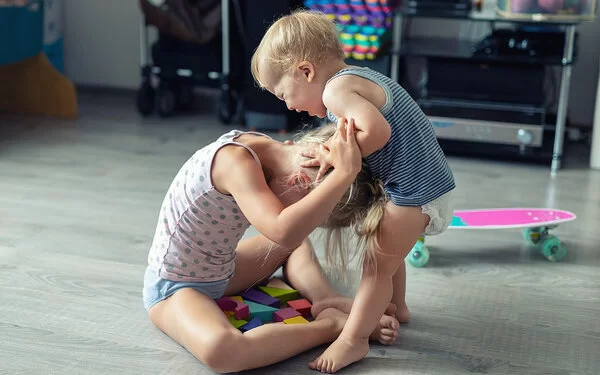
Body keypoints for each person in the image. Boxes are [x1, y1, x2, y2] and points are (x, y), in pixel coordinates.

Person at [251, 9, 456, 373]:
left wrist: (339, 158)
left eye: (284, 94)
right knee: (388, 254)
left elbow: (378, 133)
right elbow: (364, 131)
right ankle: (398, 307)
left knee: (374, 268)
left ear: (305, 71)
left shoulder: (335, 91)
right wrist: (331, 149)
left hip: (414, 191)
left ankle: (353, 340)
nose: (288, 105)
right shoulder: (356, 78)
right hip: (424, 186)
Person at [142, 120, 400, 373]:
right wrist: (344, 173)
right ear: (298, 181)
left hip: (222, 270)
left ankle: (325, 299)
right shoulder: (235, 162)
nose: (308, 224)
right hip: (176, 286)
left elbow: (291, 237)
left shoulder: (275, 151)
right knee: (222, 351)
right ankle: (331, 325)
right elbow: (285, 232)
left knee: (296, 242)